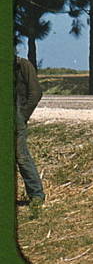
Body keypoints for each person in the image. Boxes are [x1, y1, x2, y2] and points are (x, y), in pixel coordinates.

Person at [15, 56, 45, 216]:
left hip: (15, 117)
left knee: (21, 157)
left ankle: (36, 196)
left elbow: (36, 93)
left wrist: (22, 116)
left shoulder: (22, 65)